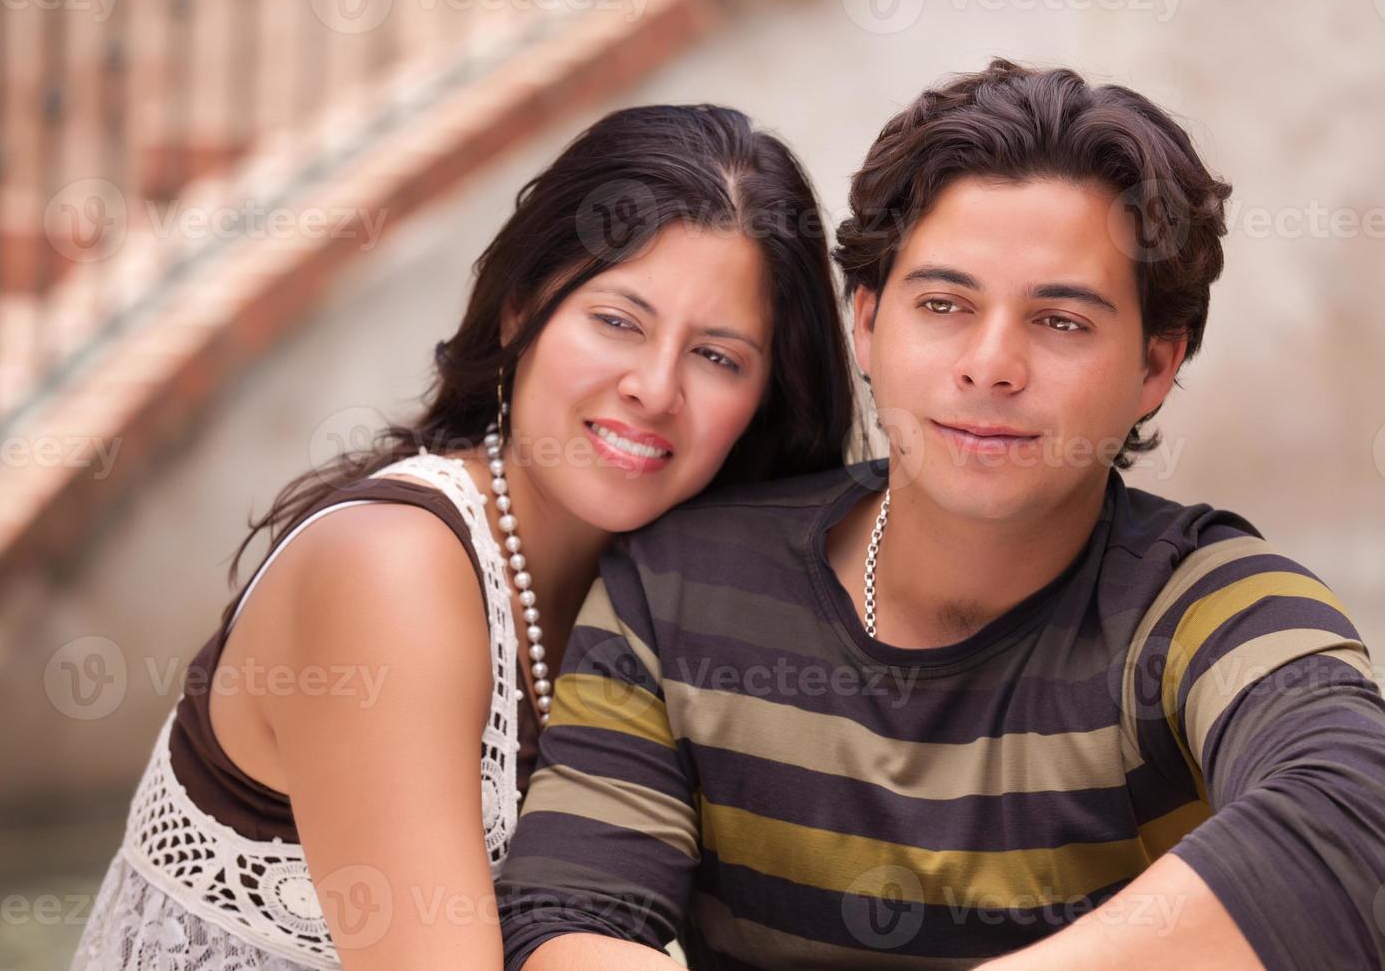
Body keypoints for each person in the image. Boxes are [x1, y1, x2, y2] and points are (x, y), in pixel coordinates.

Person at [495, 60, 1385, 970]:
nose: (990, 365)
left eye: (1062, 322)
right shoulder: (678, 584)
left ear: (1155, 368)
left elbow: (1358, 815)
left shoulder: (1204, 601)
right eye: (944, 305)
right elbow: (565, 925)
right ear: (868, 327)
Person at [70, 103, 863, 969]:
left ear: (763, 401)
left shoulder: (670, 597)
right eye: (618, 320)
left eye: (717, 356)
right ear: (520, 312)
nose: (654, 387)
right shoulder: (392, 569)